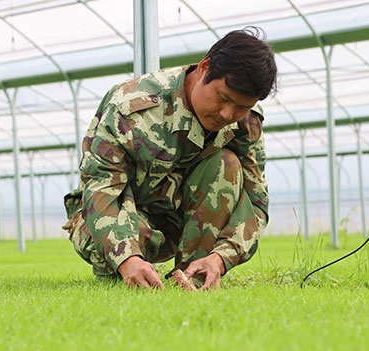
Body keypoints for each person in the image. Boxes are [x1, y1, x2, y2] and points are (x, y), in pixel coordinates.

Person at [62, 26, 277, 290]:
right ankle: (125, 269)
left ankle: (194, 276)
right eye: (222, 98)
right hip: (120, 219)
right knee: (122, 255)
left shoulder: (247, 122)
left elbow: (256, 201)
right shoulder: (132, 107)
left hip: (176, 221)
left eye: (242, 107)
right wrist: (127, 259)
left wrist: (221, 258)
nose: (227, 114)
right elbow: (101, 189)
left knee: (226, 164)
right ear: (204, 68)